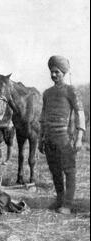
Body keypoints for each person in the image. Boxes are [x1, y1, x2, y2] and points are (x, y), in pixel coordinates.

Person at [39, 55, 86, 215]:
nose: (53, 75)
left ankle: (67, 204)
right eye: (52, 72)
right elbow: (43, 117)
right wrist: (41, 139)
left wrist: (79, 137)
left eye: (57, 72)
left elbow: (80, 114)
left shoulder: (71, 90)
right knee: (55, 171)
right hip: (49, 139)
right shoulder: (47, 93)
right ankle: (59, 198)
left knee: (69, 171)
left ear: (63, 73)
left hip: (65, 139)